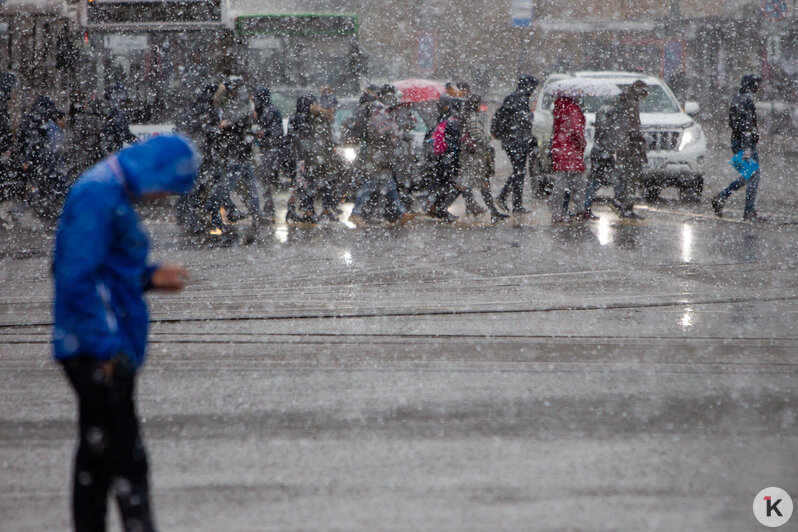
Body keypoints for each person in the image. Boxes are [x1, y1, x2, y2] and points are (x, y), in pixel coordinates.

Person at [52, 134, 198, 532]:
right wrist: (105, 350)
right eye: (167, 187)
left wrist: (148, 276)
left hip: (98, 344)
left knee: (97, 456)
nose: (164, 197)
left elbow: (103, 270)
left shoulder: (108, 191)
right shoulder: (98, 196)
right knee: (124, 457)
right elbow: (78, 277)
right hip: (98, 348)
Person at [205, 77, 261, 231]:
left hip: (236, 152)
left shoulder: (237, 105)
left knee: (232, 185)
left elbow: (237, 122)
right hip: (237, 152)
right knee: (242, 185)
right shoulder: (235, 104)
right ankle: (254, 214)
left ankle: (212, 207)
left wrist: (229, 124)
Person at [348, 86, 409, 225]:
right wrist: (394, 134)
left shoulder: (383, 111)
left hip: (381, 154)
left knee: (389, 185)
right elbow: (381, 132)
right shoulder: (378, 112)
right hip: (377, 154)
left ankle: (401, 213)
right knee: (371, 184)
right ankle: (355, 213)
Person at [712, 74, 764, 221]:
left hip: (738, 141)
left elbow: (734, 124)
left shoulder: (738, 99)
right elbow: (746, 127)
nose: (758, 88)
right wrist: (747, 149)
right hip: (745, 144)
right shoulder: (746, 101)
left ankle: (722, 197)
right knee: (753, 175)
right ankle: (748, 211)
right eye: (757, 85)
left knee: (749, 175)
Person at [457, 94, 509, 222]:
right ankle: (489, 211)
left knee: (473, 183)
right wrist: (488, 138)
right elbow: (477, 136)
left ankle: (485, 210)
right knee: (480, 184)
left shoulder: (467, 117)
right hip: (474, 156)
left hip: (472, 156)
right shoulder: (473, 119)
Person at [17, 95, 69, 221]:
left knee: (35, 189)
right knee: (49, 188)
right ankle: (52, 215)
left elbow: (23, 141)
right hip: (44, 161)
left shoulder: (30, 119)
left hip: (35, 161)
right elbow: (54, 144)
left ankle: (19, 213)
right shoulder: (45, 123)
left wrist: (26, 159)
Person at [491, 75, 538, 213]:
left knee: (518, 171)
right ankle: (510, 201)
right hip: (516, 141)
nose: (533, 90)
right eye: (533, 87)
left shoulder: (514, 97)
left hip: (512, 140)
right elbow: (522, 121)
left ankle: (508, 199)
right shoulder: (520, 99)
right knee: (519, 171)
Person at [611, 80, 648, 219]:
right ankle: (626, 207)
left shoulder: (624, 102)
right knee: (631, 178)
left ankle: (620, 202)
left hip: (624, 147)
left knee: (625, 176)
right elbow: (632, 128)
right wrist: (640, 140)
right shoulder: (632, 104)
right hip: (631, 148)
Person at [549, 90, 586, 223]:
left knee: (561, 182)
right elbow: (577, 131)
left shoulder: (559, 108)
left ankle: (556, 212)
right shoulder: (573, 109)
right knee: (578, 183)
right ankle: (580, 209)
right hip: (571, 150)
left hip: (559, 148)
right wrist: (582, 143)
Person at [579, 100, 618, 220]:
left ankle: (586, 207)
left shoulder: (602, 114)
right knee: (596, 181)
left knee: (596, 181)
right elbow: (607, 137)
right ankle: (586, 207)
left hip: (600, 153)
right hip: (602, 154)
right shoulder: (607, 116)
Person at [253, 86, 283, 221]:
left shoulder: (271, 110)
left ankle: (268, 207)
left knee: (264, 179)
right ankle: (267, 206)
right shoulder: (259, 111)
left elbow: (277, 130)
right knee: (262, 179)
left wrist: (265, 133)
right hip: (263, 148)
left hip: (270, 149)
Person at [100, 83, 137, 156]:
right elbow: (124, 133)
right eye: (119, 95)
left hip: (106, 152)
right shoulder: (115, 113)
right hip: (110, 153)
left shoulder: (114, 112)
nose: (121, 99)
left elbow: (124, 133)